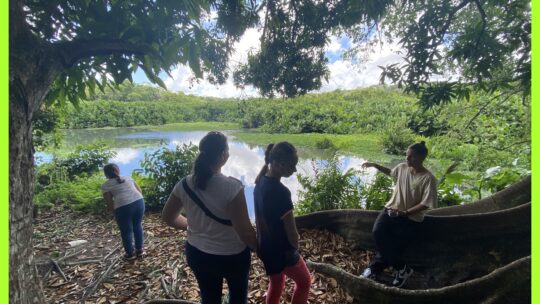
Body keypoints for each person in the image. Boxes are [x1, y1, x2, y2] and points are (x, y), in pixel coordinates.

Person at [161, 131, 257, 304]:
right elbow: (246, 232)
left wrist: (192, 227)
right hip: (232, 257)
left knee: (209, 298)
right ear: (222, 156)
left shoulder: (184, 184)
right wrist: (259, 249)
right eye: (227, 150)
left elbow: (168, 217)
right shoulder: (232, 187)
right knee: (238, 297)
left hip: (198, 254)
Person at [360, 141, 437, 288]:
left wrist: (406, 213)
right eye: (407, 156)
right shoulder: (402, 168)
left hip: (410, 219)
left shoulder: (428, 178)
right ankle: (403, 269)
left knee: (393, 246)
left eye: (411, 157)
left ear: (421, 158)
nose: (407, 159)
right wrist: (375, 165)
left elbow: (426, 203)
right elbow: (391, 172)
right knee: (378, 233)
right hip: (391, 210)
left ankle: (373, 270)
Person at [254, 142, 311, 304]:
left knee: (277, 282)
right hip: (282, 252)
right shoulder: (281, 193)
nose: (294, 170)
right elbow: (292, 234)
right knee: (305, 282)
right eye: (292, 165)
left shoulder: (259, 183)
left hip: (265, 248)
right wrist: (296, 249)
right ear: (278, 164)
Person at [101, 163, 145, 261]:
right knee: (137, 225)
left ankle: (130, 254)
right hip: (139, 201)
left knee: (126, 231)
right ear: (117, 170)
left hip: (122, 207)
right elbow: (139, 190)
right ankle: (140, 250)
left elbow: (109, 202)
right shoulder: (127, 178)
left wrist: (115, 212)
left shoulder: (105, 185)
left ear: (106, 174)